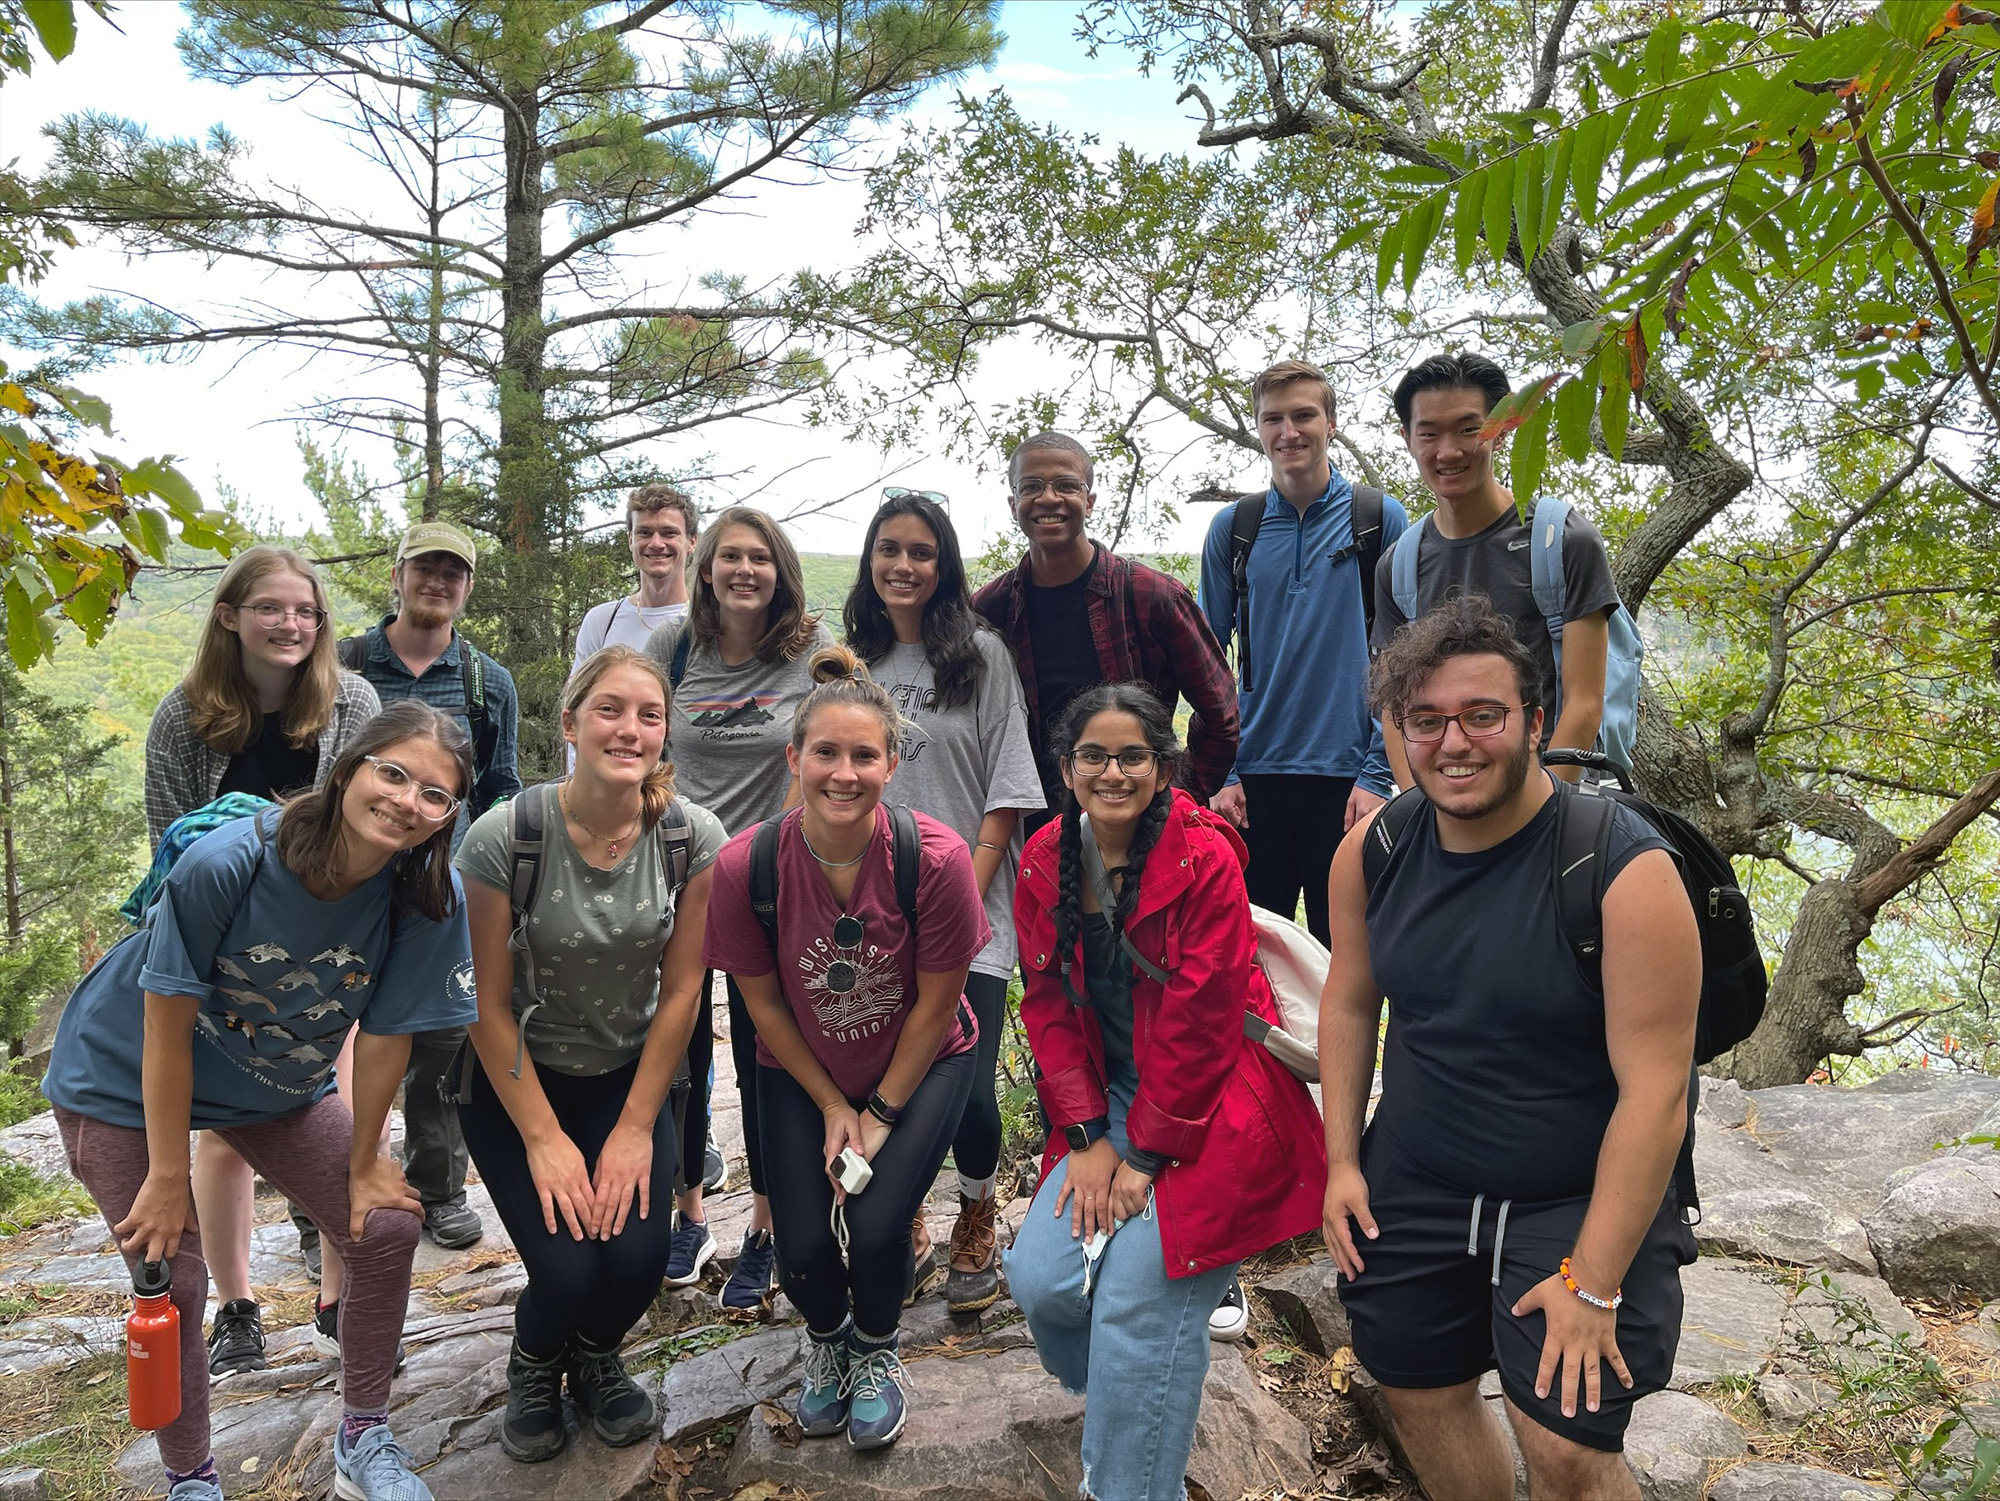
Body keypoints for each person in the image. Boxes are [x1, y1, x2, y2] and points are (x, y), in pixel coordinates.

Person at [43, 700, 478, 1501]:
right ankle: (192, 1479)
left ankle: (363, 1433)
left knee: (381, 1227)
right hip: (121, 1071)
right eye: (393, 772)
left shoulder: (424, 892)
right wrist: (168, 1173)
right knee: (172, 1273)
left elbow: (385, 1037)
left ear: (449, 814)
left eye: (434, 793)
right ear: (348, 769)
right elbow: (164, 1025)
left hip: (273, 1081)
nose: (406, 800)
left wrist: (365, 1161)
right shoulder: (231, 862)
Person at [1321, 597, 1699, 1499]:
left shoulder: (1621, 869)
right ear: (1400, 732)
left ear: (1534, 722)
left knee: (1566, 1446)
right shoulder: (1375, 851)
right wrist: (1340, 1159)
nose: (1456, 742)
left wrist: (1597, 1280)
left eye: (1483, 715)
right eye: (1427, 721)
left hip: (1573, 1190)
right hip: (1419, 1174)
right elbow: (1347, 1000)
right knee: (1418, 1392)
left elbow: (1657, 1094)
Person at [1005, 683, 1326, 1501]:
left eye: (1132, 755)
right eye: (1093, 756)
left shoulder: (1202, 854)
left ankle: (1130, 1481)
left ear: (1162, 765)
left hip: (1214, 1101)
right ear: (1067, 765)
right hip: (1111, 1100)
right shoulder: (1047, 857)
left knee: (1135, 1309)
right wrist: (1087, 1139)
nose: (1113, 772)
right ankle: (1130, 1402)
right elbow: (1045, 1004)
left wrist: (1142, 1156)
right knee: (1043, 1285)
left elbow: (1203, 1024)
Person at [701, 644, 989, 1449]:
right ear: (794, 757)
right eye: (825, 751)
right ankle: (825, 1343)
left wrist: (881, 1111)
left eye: (865, 754)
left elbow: (937, 1005)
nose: (844, 771)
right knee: (797, 1247)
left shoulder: (935, 859)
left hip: (924, 1063)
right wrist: (833, 1103)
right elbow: (759, 1002)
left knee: (872, 1227)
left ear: (892, 763)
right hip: (800, 1072)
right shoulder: (746, 867)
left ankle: (876, 1349)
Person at [455, 646, 724, 1463]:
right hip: (517, 1083)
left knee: (640, 1262)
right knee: (571, 1271)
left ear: (665, 732)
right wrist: (545, 1139)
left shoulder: (690, 837)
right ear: (570, 724)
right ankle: (537, 1359)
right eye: (609, 709)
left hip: (628, 1079)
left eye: (648, 713)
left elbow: (681, 993)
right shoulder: (508, 837)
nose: (629, 728)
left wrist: (637, 1127)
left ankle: (596, 1356)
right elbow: (485, 1005)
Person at [142, 545, 383, 1374]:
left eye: (306, 611)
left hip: (333, 938)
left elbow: (372, 822)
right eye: (271, 608)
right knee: (225, 1131)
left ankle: (339, 1291)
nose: (290, 624)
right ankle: (237, 1303)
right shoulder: (183, 718)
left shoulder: (351, 701)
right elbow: (170, 846)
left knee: (346, 1112)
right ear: (229, 616)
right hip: (224, 952)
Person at [842, 490, 1044, 1310]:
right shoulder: (850, 664)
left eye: (921, 551)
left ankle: (976, 1208)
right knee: (885, 1071)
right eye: (889, 548)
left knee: (962, 1080)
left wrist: (968, 872)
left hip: (971, 903)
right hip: (873, 907)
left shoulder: (982, 656)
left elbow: (1009, 781)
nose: (904, 565)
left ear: (944, 564)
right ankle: (911, 1221)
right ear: (870, 561)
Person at [646, 506, 833, 1312]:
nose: (744, 570)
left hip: (774, 878)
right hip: (678, 877)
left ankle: (766, 1223)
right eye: (730, 556)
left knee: (766, 1055)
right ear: (707, 567)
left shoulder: (813, 653)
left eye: (760, 557)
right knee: (680, 1049)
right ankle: (690, 1212)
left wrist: (787, 848)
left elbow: (832, 754)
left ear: (781, 569)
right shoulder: (675, 649)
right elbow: (640, 747)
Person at [341, 520, 521, 1253]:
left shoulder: (487, 681)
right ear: (399, 573)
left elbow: (503, 784)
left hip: (444, 884)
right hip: (351, 878)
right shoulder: (347, 663)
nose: (437, 582)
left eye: (453, 572)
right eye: (425, 568)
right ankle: (325, 1193)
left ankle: (438, 1187)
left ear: (468, 587)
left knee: (444, 1038)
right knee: (340, 1039)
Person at [1198, 359, 1407, 945]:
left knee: (1346, 961)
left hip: (1348, 778)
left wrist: (1377, 774)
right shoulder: (1233, 529)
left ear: (1331, 423)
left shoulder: (1376, 519)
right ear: (1259, 429)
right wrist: (1224, 771)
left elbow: (1405, 656)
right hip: (1251, 783)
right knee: (1250, 961)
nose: (1289, 431)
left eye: (1303, 415)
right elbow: (1205, 658)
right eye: (1273, 419)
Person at [1372, 352, 1622, 786]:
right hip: (1450, 800)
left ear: (1502, 429)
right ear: (1407, 438)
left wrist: (1541, 820)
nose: (1447, 451)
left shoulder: (1563, 541)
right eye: (1428, 433)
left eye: (1469, 430)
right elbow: (1395, 710)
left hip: (1549, 797)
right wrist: (1421, 811)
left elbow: (1584, 703)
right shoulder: (1398, 565)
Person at [971, 431, 1238, 832]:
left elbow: (1221, 714)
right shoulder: (990, 609)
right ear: (1013, 504)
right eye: (1031, 487)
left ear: (1089, 501)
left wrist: (1176, 794)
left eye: (1065, 485)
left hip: (1136, 826)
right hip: (1030, 830)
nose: (1048, 499)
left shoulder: (1153, 598)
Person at [573, 484, 699, 662]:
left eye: (669, 533)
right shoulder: (602, 621)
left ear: (692, 541)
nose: (656, 543)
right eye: (645, 533)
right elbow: (578, 690)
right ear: (631, 540)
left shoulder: (704, 623)